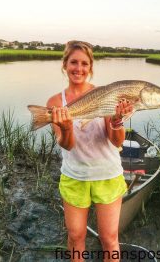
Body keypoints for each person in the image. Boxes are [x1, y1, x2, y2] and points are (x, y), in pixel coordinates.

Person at [47, 40, 133, 262]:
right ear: (65, 64)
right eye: (73, 62)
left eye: (85, 64)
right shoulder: (56, 102)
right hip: (75, 176)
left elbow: (116, 141)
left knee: (110, 238)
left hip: (108, 174)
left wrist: (117, 120)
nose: (79, 68)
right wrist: (66, 128)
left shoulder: (106, 94)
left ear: (91, 67)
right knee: (76, 236)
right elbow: (66, 144)